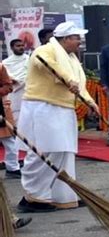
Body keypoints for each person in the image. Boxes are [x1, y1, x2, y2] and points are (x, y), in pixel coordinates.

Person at [17, 21, 98, 212]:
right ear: (66, 38)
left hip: (63, 109)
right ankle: (34, 197)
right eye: (77, 37)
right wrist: (67, 79)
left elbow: (78, 85)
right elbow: (45, 64)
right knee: (43, 152)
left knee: (64, 152)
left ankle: (64, 196)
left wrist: (90, 102)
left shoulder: (71, 58)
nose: (80, 41)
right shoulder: (45, 51)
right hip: (42, 107)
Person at [0, 62, 20, 179]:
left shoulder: (1, 67)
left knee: (10, 143)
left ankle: (12, 169)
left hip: (1, 109)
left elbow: (9, 87)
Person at [3, 39, 29, 121]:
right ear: (11, 48)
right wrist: (12, 79)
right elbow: (5, 76)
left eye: (22, 45)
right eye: (18, 46)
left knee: (28, 114)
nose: (21, 47)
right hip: (14, 92)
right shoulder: (6, 62)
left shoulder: (29, 59)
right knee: (16, 116)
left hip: (27, 90)